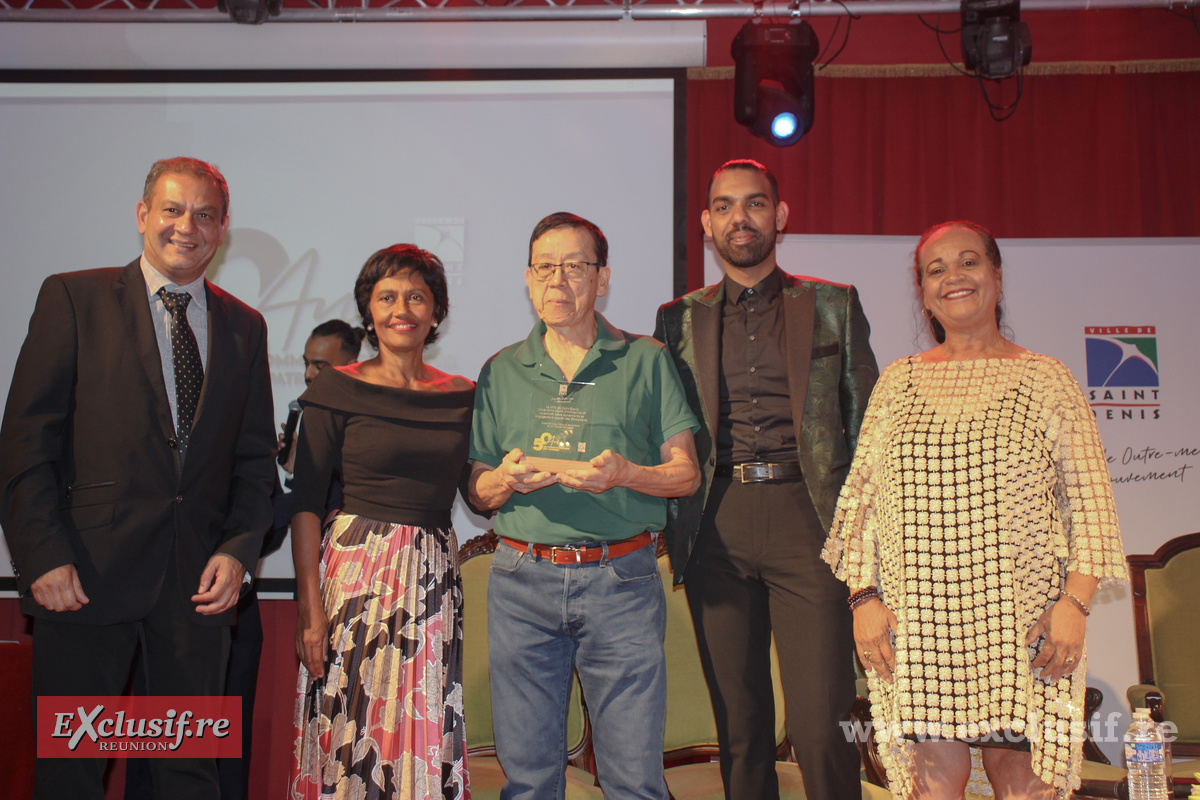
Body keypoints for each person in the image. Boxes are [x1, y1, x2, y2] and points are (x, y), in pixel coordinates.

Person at [0, 156, 277, 800]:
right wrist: (41, 555)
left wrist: (239, 553)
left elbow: (254, 461)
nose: (187, 227)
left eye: (204, 215)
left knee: (191, 772)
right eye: (173, 210)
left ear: (223, 228)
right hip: (82, 578)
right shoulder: (73, 298)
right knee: (71, 769)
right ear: (142, 214)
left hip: (199, 588)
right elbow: (25, 443)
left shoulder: (246, 326)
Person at [822, 220, 1127, 800]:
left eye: (968, 262)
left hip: (1024, 624)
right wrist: (863, 599)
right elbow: (860, 503)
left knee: (1023, 783)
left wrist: (1075, 603)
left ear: (997, 276)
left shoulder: (1047, 378)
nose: (953, 277)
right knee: (934, 787)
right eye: (936, 269)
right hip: (920, 628)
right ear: (922, 291)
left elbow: (1091, 505)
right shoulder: (897, 383)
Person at [654, 159, 878, 800]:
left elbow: (868, 430)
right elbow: (662, 428)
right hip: (715, 526)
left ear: (779, 216)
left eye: (754, 203)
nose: (740, 218)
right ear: (706, 224)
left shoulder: (833, 304)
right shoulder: (676, 319)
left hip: (811, 524)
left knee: (821, 726)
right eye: (724, 206)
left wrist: (866, 542)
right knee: (741, 731)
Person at [468, 212, 700, 800]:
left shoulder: (645, 359)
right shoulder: (500, 370)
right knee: (529, 780)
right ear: (528, 279)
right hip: (521, 581)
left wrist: (626, 474)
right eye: (545, 267)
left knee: (633, 779)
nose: (558, 280)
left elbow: (686, 474)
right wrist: (504, 480)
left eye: (575, 266)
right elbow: (478, 490)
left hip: (622, 580)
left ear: (602, 278)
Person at [289, 244, 474, 800]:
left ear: (436, 311)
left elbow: (479, 492)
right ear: (368, 312)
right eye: (387, 297)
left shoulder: (463, 395)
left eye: (417, 297)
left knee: (422, 726)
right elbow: (305, 502)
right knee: (351, 729)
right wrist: (310, 609)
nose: (402, 309)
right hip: (354, 580)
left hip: (432, 581)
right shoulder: (335, 388)